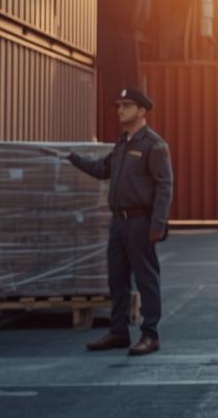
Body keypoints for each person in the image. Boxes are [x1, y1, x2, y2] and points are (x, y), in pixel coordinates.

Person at [67, 87, 175, 357]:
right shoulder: (123, 143)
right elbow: (103, 170)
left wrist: (158, 224)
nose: (120, 110)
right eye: (119, 105)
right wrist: (73, 158)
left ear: (141, 110)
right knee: (117, 278)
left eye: (126, 105)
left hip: (140, 221)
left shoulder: (154, 144)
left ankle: (150, 334)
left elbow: (165, 186)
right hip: (118, 222)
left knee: (146, 278)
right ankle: (119, 332)